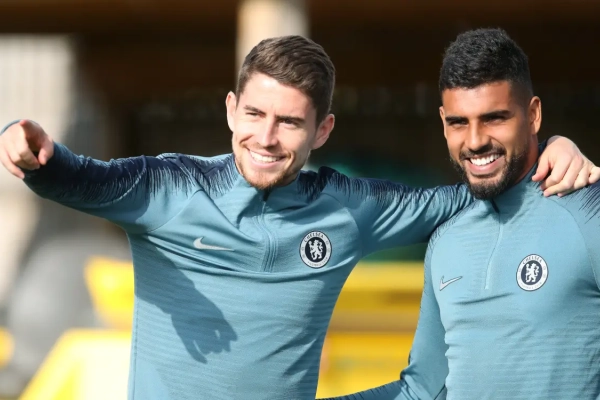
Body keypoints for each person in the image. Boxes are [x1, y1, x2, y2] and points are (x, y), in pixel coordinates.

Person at [0, 35, 595, 400]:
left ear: (323, 130)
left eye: (289, 122)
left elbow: (477, 186)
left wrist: (552, 149)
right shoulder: (169, 188)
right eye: (254, 114)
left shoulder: (349, 209)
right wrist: (26, 146)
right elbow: (78, 175)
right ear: (231, 110)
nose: (266, 137)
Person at [325, 28, 600, 400]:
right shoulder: (446, 236)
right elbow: (424, 389)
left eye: (494, 118)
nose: (475, 141)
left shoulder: (587, 212)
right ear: (443, 122)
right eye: (459, 122)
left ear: (533, 115)